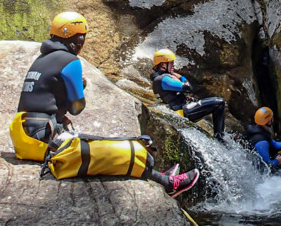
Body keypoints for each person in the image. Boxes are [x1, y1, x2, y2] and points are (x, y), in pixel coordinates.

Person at [11, 12, 199, 197]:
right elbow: (77, 108)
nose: (82, 43)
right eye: (82, 37)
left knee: (97, 144)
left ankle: (160, 177)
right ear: (76, 38)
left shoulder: (41, 59)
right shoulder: (69, 61)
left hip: (25, 137)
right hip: (43, 140)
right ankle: (168, 183)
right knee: (121, 152)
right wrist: (80, 86)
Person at [151, 48, 226, 140]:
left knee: (218, 103)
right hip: (182, 112)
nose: (173, 65)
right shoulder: (163, 79)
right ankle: (219, 138)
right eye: (171, 63)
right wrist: (181, 77)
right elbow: (188, 88)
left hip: (181, 110)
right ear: (163, 64)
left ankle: (219, 137)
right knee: (219, 102)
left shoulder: (160, 78)